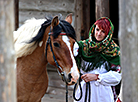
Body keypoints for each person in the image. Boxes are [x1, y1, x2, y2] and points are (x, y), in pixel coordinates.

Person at [73, 17, 122, 102]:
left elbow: (117, 77)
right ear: (93, 29)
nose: (99, 33)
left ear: (108, 34)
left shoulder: (113, 51)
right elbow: (68, 52)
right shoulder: (82, 46)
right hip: (84, 92)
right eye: (97, 29)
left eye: (103, 32)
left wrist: (96, 77)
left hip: (103, 94)